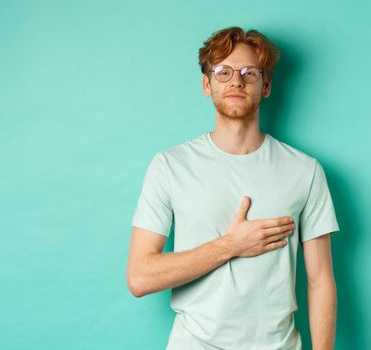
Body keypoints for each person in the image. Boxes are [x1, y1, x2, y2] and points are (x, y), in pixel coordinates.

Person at [127, 26, 340, 350]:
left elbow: (320, 280)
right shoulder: (170, 166)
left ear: (266, 85)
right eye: (223, 72)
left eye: (248, 73)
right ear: (206, 84)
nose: (236, 81)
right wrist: (230, 245)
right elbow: (140, 277)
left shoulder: (305, 171)